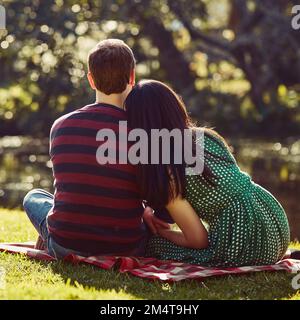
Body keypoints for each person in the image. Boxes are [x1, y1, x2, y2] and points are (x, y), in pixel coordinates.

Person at [23, 39, 169, 259]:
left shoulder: (60, 125)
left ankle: (53, 237)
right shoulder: (142, 131)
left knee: (34, 196)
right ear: (132, 77)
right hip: (126, 247)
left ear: (91, 80)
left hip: (65, 245)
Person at [125, 79, 291, 267]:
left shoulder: (169, 172)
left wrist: (163, 233)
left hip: (248, 242)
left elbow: (198, 240)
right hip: (273, 218)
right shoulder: (207, 136)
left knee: (154, 245)